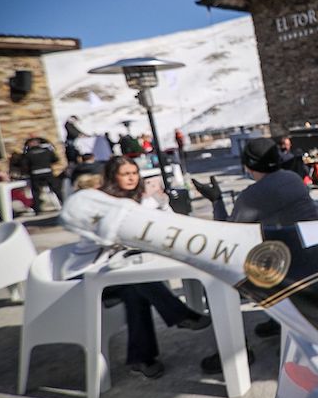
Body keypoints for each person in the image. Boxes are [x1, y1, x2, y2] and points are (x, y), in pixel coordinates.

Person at [62, 156, 211, 379]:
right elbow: (107, 237)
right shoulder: (99, 205)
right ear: (113, 177)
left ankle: (142, 359)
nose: (132, 178)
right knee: (135, 283)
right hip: (86, 277)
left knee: (134, 290)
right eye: (125, 174)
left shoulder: (138, 199)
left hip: (114, 273)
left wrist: (160, 203)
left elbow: (165, 225)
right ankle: (179, 315)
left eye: (134, 173)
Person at [192, 138, 318, 365]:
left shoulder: (252, 196)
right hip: (312, 258)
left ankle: (235, 351)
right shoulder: (294, 179)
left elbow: (226, 234)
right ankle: (279, 319)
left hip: (285, 272)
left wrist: (216, 200)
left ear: (248, 167)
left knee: (216, 281)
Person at [20, 137, 64, 214]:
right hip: (47, 172)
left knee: (36, 192)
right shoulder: (47, 151)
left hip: (35, 173)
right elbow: (55, 159)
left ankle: (38, 210)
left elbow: (24, 165)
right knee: (56, 189)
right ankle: (64, 203)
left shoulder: (28, 154)